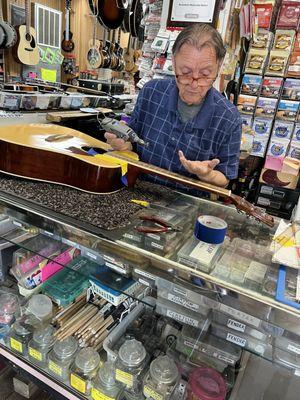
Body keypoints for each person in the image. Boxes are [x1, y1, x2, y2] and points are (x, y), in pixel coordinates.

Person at [105, 24, 242, 193]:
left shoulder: (229, 117)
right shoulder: (151, 92)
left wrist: (207, 174)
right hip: (138, 190)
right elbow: (133, 143)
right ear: (174, 62)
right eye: (185, 72)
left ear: (219, 65)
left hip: (188, 204)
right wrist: (123, 144)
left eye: (206, 75)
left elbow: (225, 178)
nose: (194, 83)